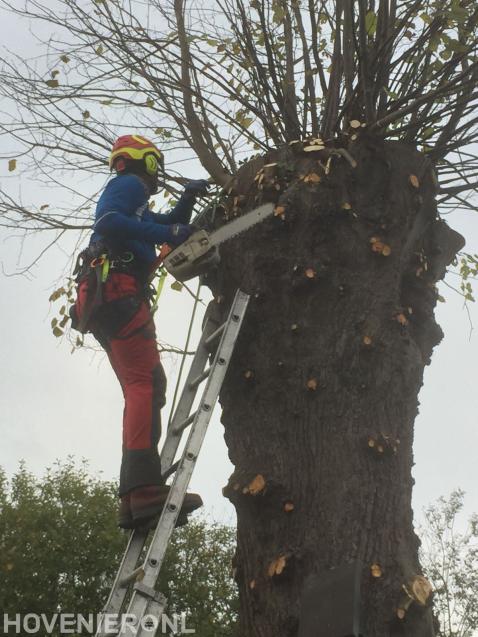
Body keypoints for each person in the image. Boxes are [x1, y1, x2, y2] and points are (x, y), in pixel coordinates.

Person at [71, 134, 208, 529]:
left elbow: (161, 224)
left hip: (106, 300)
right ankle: (143, 491)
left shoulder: (136, 205)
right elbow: (110, 220)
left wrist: (187, 201)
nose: (156, 173)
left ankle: (133, 498)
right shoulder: (128, 185)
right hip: (120, 293)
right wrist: (168, 236)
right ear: (142, 161)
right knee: (145, 384)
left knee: (143, 385)